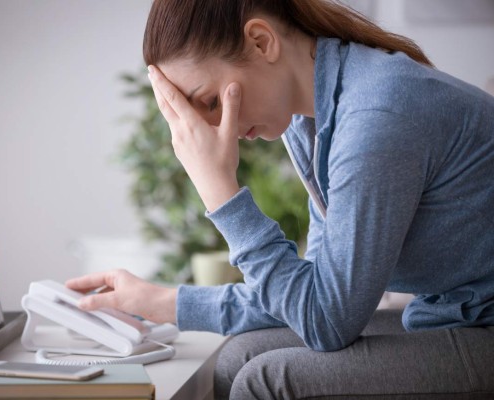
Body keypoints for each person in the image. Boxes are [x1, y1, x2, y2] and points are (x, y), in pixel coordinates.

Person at [67, 0, 494, 398]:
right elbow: (313, 295)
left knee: (266, 381)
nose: (220, 130)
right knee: (238, 357)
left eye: (210, 102)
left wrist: (220, 191)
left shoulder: (374, 120)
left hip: (483, 325)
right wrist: (162, 303)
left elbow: (326, 323)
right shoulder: (314, 123)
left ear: (261, 41)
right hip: (454, 313)